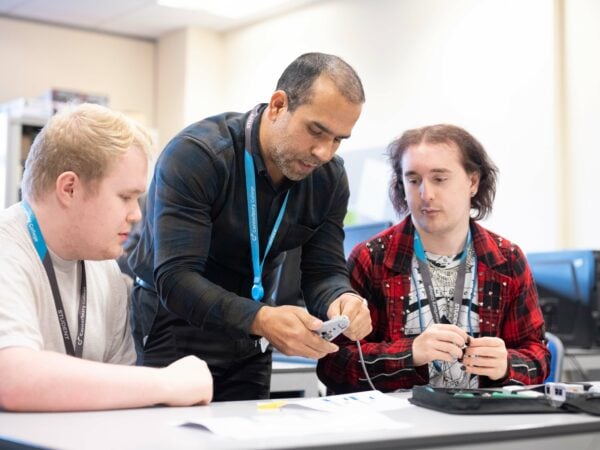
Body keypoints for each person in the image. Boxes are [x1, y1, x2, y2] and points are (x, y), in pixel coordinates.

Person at [128, 52, 373, 401]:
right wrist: (262, 318)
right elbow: (176, 278)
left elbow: (323, 270)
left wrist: (342, 298)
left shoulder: (328, 179)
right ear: (277, 105)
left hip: (253, 339)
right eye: (316, 131)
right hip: (175, 326)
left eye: (338, 139)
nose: (323, 152)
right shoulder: (198, 155)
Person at [0, 104, 213, 412]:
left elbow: (119, 392)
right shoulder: (9, 251)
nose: (137, 214)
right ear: (69, 188)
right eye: (125, 197)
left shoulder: (105, 269)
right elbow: (14, 379)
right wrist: (166, 383)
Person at [317, 124, 550, 393]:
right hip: (395, 425)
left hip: (481, 421)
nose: (425, 194)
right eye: (413, 180)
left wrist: (507, 365)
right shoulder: (372, 259)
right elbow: (333, 363)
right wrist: (410, 354)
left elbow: (540, 358)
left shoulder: (507, 260)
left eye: (439, 179)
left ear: (473, 182)